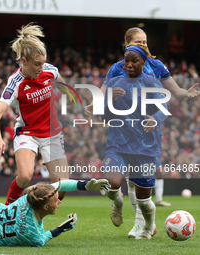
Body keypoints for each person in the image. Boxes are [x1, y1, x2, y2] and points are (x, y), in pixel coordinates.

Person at [85, 27, 200, 238]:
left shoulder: (155, 66)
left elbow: (172, 94)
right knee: (121, 180)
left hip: (146, 137)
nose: (144, 46)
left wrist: (185, 93)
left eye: (146, 42)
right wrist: (97, 104)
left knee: (138, 184)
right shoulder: (116, 70)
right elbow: (101, 98)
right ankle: (130, 215)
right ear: (126, 45)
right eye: (139, 42)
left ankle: (143, 225)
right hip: (121, 135)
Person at [0, 23, 70, 205]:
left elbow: (66, 88)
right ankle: (7, 211)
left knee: (62, 188)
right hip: (28, 133)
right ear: (24, 61)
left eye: (42, 63)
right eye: (37, 64)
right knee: (25, 175)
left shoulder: (49, 70)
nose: (41, 68)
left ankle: (35, 209)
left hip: (52, 133)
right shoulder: (15, 82)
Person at [102, 43, 168, 239]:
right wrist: (109, 101)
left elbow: (164, 107)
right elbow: (104, 116)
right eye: (126, 61)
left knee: (143, 199)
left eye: (134, 61)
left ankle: (148, 226)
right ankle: (118, 201)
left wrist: (155, 119)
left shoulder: (151, 83)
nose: (129, 65)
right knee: (112, 181)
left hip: (145, 146)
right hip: (118, 142)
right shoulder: (115, 82)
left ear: (143, 62)